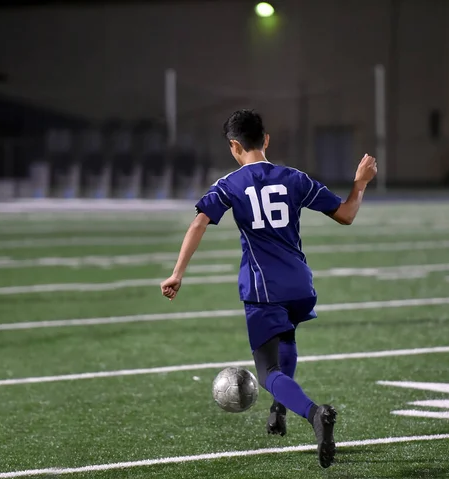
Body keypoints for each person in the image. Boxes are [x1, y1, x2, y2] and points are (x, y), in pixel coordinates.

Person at [161, 109, 377, 468]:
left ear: (234, 146)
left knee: (266, 372)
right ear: (266, 139)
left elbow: (199, 222)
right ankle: (279, 410)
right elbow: (346, 214)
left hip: (263, 288)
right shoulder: (295, 178)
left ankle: (313, 413)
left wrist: (177, 273)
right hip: (300, 284)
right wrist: (361, 182)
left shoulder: (229, 184)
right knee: (288, 341)